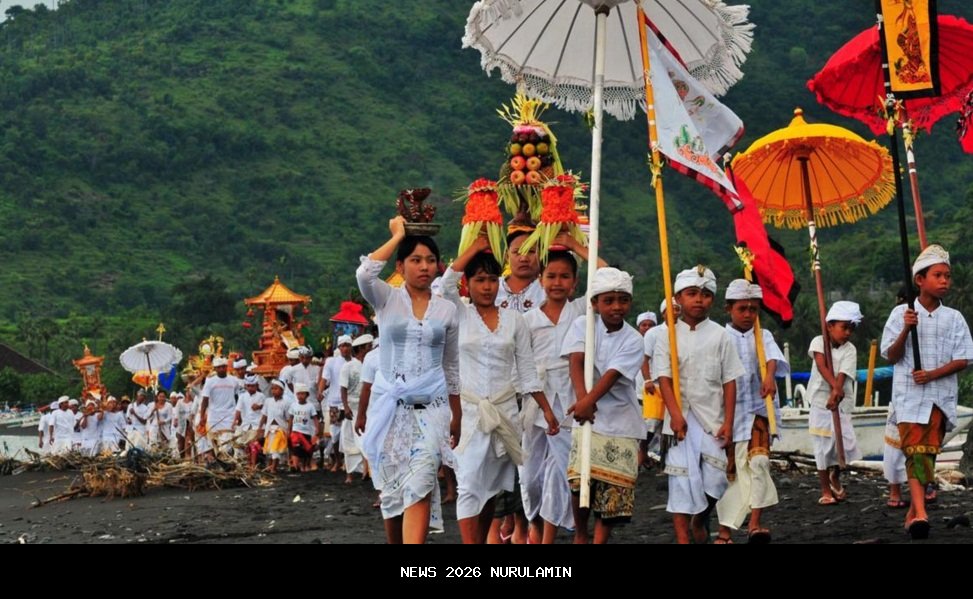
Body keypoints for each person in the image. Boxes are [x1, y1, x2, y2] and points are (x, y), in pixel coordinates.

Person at [442, 237, 558, 544]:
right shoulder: (459, 313)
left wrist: (546, 409)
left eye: (493, 279)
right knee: (468, 484)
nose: (487, 286)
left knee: (493, 487)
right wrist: (475, 247)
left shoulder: (513, 320)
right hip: (469, 413)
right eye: (479, 280)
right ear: (468, 284)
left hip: (506, 413)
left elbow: (528, 370)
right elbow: (445, 284)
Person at [356, 215, 461, 544]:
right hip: (390, 411)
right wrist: (398, 234)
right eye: (415, 260)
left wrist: (457, 414)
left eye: (431, 260)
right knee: (391, 495)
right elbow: (365, 272)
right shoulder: (386, 299)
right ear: (400, 266)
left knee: (421, 482)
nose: (425, 266)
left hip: (432, 409)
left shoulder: (447, 310)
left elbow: (452, 367)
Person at [881, 245, 973, 539]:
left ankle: (912, 514)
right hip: (909, 397)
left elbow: (964, 358)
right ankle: (920, 512)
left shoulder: (954, 318)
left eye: (947, 276)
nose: (945, 281)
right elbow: (890, 355)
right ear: (920, 280)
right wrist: (906, 330)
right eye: (938, 275)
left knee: (928, 454)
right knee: (914, 452)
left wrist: (932, 374)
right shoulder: (901, 314)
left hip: (939, 396)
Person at [522, 234, 605, 543]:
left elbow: (608, 274)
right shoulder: (528, 320)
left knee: (563, 471)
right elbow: (524, 366)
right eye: (551, 276)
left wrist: (575, 246)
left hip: (571, 398)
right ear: (541, 279)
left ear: (575, 281)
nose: (557, 282)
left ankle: (550, 534)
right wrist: (541, 404)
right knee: (531, 475)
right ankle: (533, 518)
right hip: (536, 400)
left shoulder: (583, 311)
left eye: (565, 276)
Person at [655, 266, 744, 544]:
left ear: (713, 300)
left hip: (712, 420)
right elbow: (664, 378)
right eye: (692, 293)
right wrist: (675, 414)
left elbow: (730, 381)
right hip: (679, 419)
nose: (698, 299)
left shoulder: (721, 335)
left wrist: (728, 422)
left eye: (705, 294)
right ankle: (684, 538)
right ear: (678, 297)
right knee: (681, 482)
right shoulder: (666, 335)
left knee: (715, 480)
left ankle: (700, 519)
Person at [563, 267, 645, 544]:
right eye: (608, 300)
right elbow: (576, 360)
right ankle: (579, 534)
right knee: (579, 482)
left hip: (621, 421)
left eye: (623, 300)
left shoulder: (634, 339)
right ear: (596, 303)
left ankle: (598, 541)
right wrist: (582, 399)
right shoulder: (583, 326)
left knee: (611, 490)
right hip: (588, 416)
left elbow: (611, 376)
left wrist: (587, 401)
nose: (616, 307)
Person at [715, 280, 788, 544]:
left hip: (758, 410)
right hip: (730, 415)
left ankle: (755, 523)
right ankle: (725, 531)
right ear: (728, 309)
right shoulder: (720, 336)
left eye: (753, 309)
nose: (748, 315)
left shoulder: (762, 334)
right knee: (733, 474)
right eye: (742, 309)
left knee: (759, 463)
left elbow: (771, 358)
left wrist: (769, 376)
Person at [808, 300, 864, 506]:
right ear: (830, 326)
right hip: (820, 398)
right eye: (844, 327)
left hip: (841, 401)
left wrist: (837, 390)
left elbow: (844, 374)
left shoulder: (850, 350)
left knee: (845, 444)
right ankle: (825, 489)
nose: (847, 332)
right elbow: (822, 365)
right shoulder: (818, 342)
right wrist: (833, 388)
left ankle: (836, 474)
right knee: (822, 446)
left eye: (851, 328)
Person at [340, 334, 373, 483]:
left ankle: (367, 470)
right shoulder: (348, 366)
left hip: (368, 406)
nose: (370, 349)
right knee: (349, 441)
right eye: (368, 347)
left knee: (366, 438)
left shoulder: (371, 363)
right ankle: (350, 474)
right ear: (361, 349)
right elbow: (343, 388)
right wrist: (346, 407)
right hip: (352, 408)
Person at [198, 357, 243, 460]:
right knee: (214, 442)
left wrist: (238, 414)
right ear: (215, 368)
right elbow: (205, 400)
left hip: (229, 415)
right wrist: (201, 417)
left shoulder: (234, 380)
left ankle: (226, 461)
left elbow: (238, 398)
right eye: (219, 367)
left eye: (223, 367)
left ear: (226, 367)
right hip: (214, 416)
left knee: (227, 442)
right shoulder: (210, 382)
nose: (222, 369)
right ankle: (218, 462)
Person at [259, 380, 291, 473]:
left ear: (282, 390)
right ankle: (269, 467)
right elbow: (264, 416)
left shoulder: (285, 403)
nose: (273, 391)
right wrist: (260, 428)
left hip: (280, 429)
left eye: (276, 389)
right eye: (272, 388)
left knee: (275, 449)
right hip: (269, 428)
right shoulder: (268, 401)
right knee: (269, 449)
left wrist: (289, 430)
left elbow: (289, 419)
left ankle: (274, 468)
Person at [234, 375, 266, 469]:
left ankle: (253, 465)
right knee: (245, 445)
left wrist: (259, 407)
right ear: (246, 386)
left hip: (257, 426)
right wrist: (235, 421)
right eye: (248, 386)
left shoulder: (261, 396)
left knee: (253, 444)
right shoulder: (242, 396)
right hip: (246, 425)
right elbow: (238, 410)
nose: (250, 388)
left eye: (253, 386)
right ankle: (249, 464)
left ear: (257, 386)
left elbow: (266, 410)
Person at [288, 383, 320, 472]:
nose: (300, 396)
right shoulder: (293, 405)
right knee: (296, 448)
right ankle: (296, 465)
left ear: (307, 395)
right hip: (295, 431)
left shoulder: (310, 406)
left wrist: (317, 429)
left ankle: (306, 465)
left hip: (306, 431)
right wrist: (289, 430)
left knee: (307, 449)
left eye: (302, 394)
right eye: (298, 394)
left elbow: (315, 418)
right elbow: (291, 418)